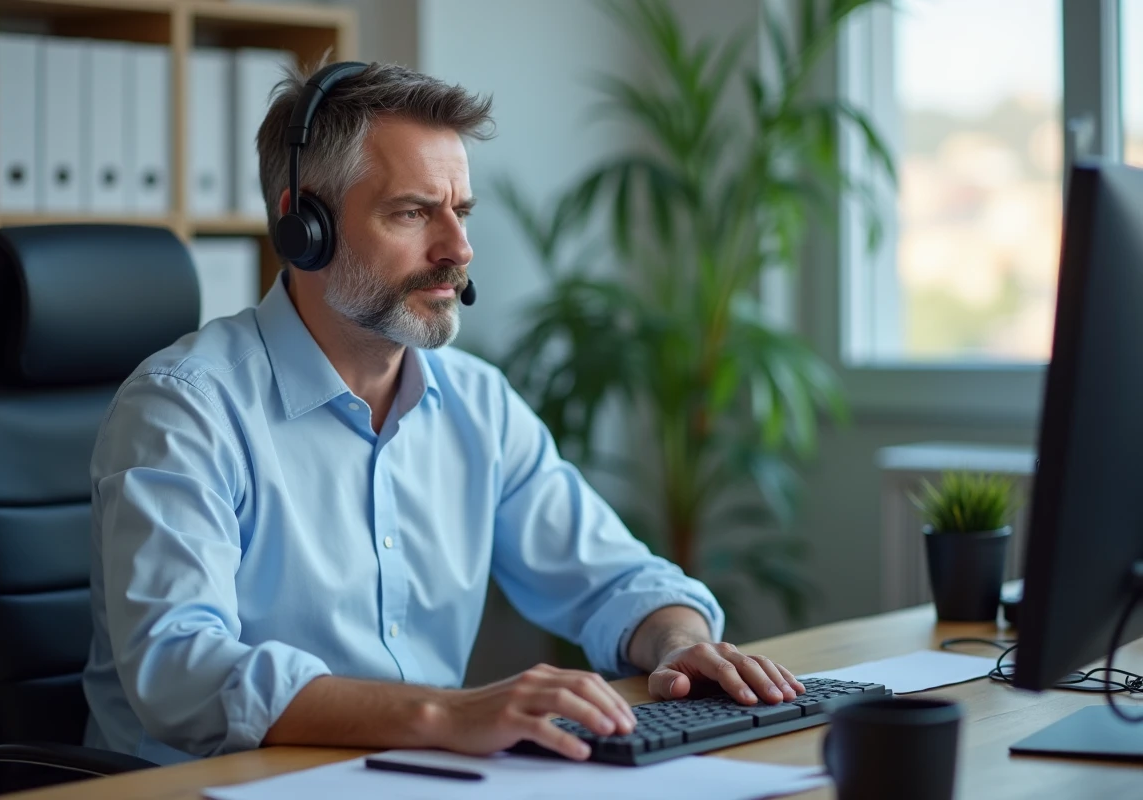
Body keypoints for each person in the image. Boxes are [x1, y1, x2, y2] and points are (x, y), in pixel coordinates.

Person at [82, 61, 805, 767]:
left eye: (459, 212)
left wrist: (677, 642)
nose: (457, 249)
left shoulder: (477, 402)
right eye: (412, 212)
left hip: (414, 779)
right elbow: (181, 671)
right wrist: (445, 714)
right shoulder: (185, 408)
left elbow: (615, 580)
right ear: (303, 226)